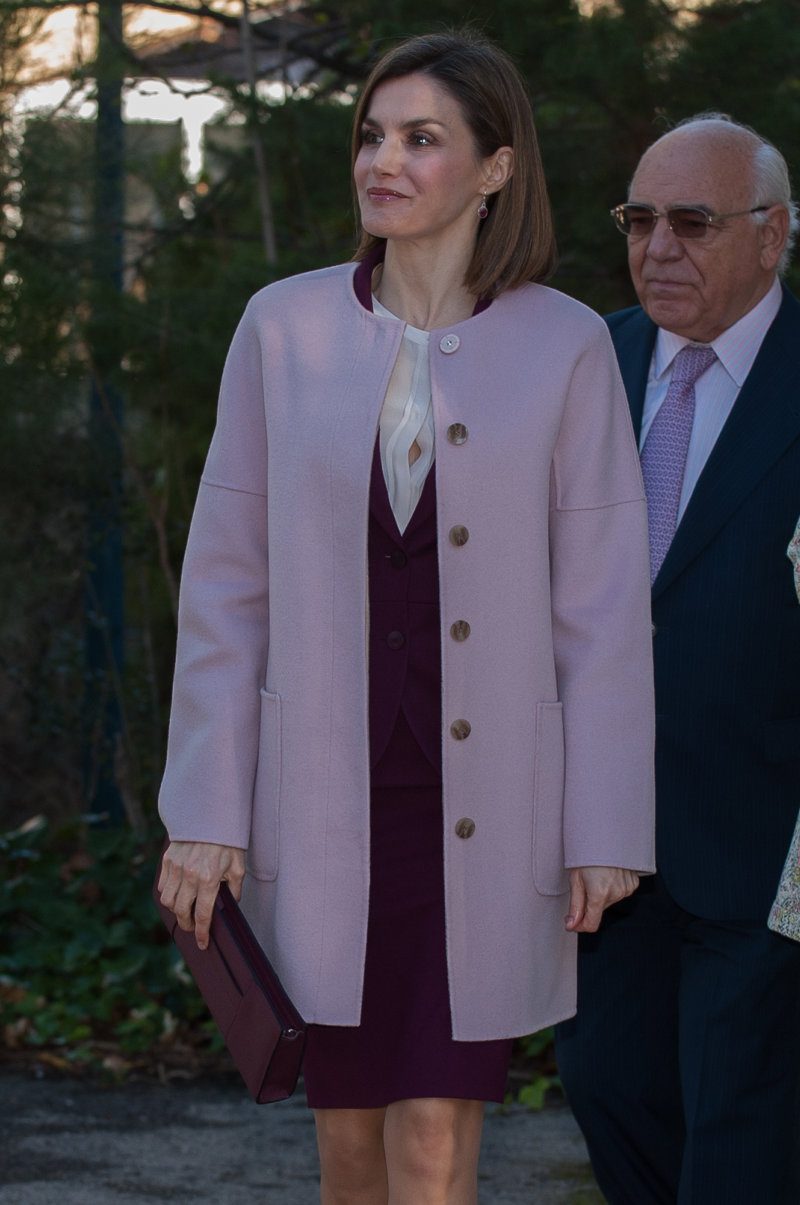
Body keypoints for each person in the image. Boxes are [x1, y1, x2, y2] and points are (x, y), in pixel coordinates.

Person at [156, 29, 655, 1205]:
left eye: (420, 138)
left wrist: (603, 824)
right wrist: (205, 810)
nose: (382, 161)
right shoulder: (279, 328)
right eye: (371, 136)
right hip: (318, 807)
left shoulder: (569, 345)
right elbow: (226, 587)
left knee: (432, 1139)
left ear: (494, 168)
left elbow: (598, 610)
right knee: (349, 1148)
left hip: (486, 813)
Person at [555, 114, 800, 1205]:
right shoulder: (582, 364)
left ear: (771, 234)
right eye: (638, 219)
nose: (657, 247)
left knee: (741, 1141)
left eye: (692, 222)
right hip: (601, 848)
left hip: (765, 850)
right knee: (608, 1092)